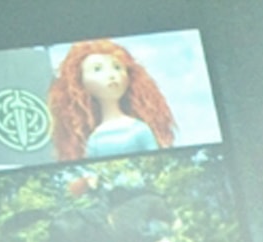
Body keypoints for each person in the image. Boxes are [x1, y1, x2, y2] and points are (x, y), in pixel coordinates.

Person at [48, 39, 177, 162]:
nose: (111, 75)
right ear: (79, 82)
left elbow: (155, 161)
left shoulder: (139, 129)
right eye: (97, 69)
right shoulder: (95, 139)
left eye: (117, 67)